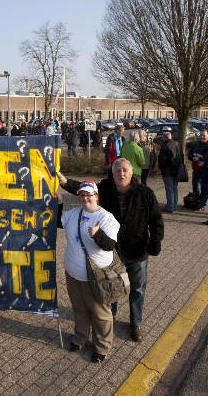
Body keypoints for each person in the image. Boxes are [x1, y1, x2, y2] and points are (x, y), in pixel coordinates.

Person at [58, 158, 164, 342]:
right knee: (109, 286)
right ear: (112, 173)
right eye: (117, 171)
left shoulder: (145, 193)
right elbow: (86, 191)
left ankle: (135, 323)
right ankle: (110, 318)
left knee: (137, 288)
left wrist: (155, 243)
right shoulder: (105, 189)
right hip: (112, 251)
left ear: (131, 173)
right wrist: (66, 183)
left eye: (125, 170)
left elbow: (156, 221)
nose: (121, 174)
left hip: (137, 251)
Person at [57, 181, 120, 363]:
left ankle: (102, 345)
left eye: (89, 195)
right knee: (79, 309)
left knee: (100, 313)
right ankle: (80, 338)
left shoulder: (107, 218)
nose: (85, 198)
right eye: (82, 195)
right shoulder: (74, 213)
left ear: (96, 196)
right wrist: (58, 202)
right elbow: (56, 222)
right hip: (73, 274)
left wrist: (97, 234)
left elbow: (110, 245)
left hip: (96, 276)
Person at [157, 128, 183, 213]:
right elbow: (181, 156)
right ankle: (174, 205)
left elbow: (162, 160)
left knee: (169, 189)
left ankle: (170, 207)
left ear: (164, 138)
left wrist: (161, 168)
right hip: (176, 169)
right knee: (174, 188)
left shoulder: (165, 146)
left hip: (167, 171)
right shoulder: (177, 144)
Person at [187, 129, 208, 210]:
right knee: (195, 186)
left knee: (203, 188)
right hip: (195, 170)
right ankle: (197, 202)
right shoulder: (196, 145)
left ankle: (203, 204)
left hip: (204, 171)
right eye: (201, 135)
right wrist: (193, 158)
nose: (202, 137)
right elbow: (189, 154)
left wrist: (200, 160)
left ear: (207, 136)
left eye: (204, 135)